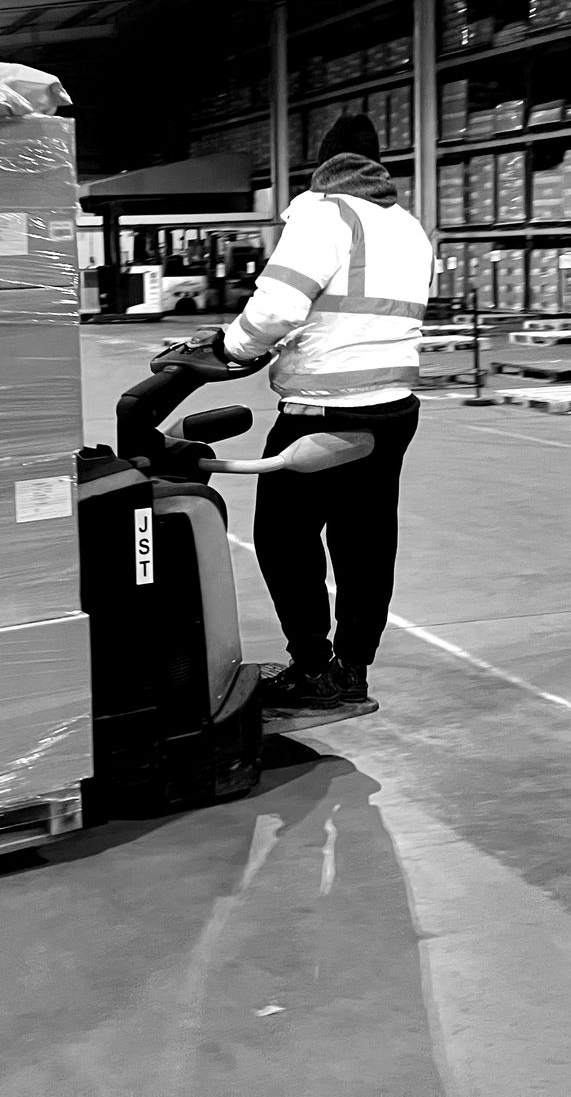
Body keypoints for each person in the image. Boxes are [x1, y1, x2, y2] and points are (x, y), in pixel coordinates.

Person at [212, 113, 431, 714]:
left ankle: (312, 666)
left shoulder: (324, 214)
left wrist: (231, 347)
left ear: (326, 167)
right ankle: (353, 668)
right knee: (366, 540)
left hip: (322, 413)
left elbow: (278, 306)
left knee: (282, 538)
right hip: (393, 410)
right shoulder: (408, 227)